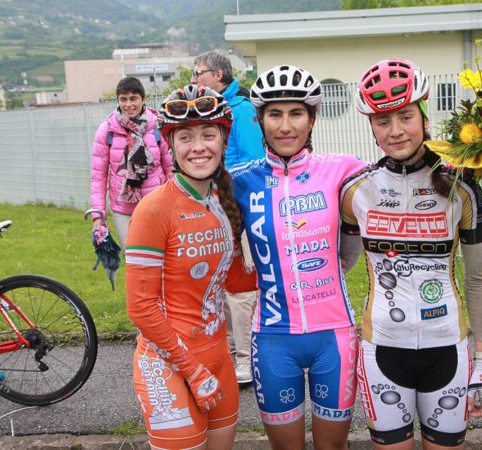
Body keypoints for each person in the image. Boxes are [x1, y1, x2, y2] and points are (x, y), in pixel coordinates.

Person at [340, 59, 482, 450]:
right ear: (372, 127)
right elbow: (341, 264)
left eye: (405, 116)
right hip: (382, 348)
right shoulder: (356, 190)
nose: (395, 130)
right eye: (382, 121)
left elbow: (479, 279)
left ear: (425, 117)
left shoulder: (461, 186)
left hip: (447, 347)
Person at [230, 64, 368, 450]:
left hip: (334, 335)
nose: (286, 126)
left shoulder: (342, 168)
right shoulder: (240, 179)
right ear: (260, 121)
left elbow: (404, 173)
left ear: (312, 119)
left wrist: (476, 162)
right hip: (273, 337)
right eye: (275, 114)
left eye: (296, 113)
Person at [125, 84, 257, 450]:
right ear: (171, 145)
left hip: (218, 359)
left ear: (223, 140)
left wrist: (289, 272)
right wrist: (192, 371)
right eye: (186, 137)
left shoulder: (223, 201)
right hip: (168, 365)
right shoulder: (154, 209)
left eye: (208, 135)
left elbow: (235, 281)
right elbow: (140, 307)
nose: (198, 146)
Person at [191, 50, 265, 384]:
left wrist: (222, 179)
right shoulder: (211, 109)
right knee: (219, 284)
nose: (194, 79)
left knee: (240, 286)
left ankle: (247, 359)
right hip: (215, 206)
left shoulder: (242, 109)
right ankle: (231, 352)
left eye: (198, 73)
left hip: (238, 208)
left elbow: (254, 161)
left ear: (218, 76)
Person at [90, 76, 173, 250]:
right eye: (123, 99)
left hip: (157, 206)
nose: (128, 104)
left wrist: (177, 203)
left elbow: (171, 169)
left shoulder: (158, 127)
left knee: (160, 255)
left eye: (133, 98)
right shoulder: (107, 131)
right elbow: (98, 176)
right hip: (123, 209)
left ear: (143, 99)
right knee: (132, 257)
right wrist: (98, 215)